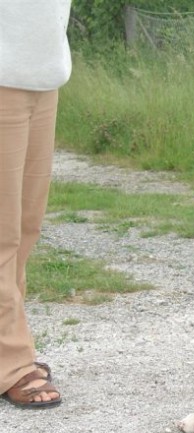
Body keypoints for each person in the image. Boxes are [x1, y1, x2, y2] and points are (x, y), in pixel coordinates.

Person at [0, 0, 73, 408]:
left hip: (43, 79)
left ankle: (9, 348)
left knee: (25, 227)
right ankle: (11, 359)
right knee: (2, 232)